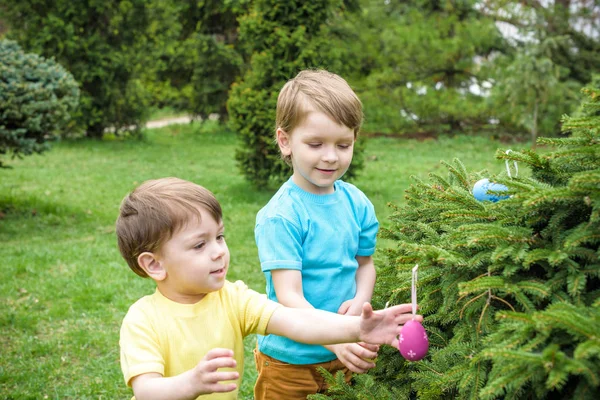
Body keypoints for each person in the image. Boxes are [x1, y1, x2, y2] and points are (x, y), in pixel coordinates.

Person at [116, 177, 419, 400]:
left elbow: (296, 320)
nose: (219, 251)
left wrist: (357, 329)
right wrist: (191, 383)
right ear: (154, 265)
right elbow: (147, 390)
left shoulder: (233, 299)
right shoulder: (143, 320)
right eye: (199, 244)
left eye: (219, 237)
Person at [254, 69, 380, 399]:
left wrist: (361, 300)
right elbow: (288, 296)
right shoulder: (281, 216)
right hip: (288, 361)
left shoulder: (357, 203)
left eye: (343, 144)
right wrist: (335, 336)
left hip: (345, 350)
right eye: (315, 144)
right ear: (285, 142)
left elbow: (365, 264)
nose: (330, 156)